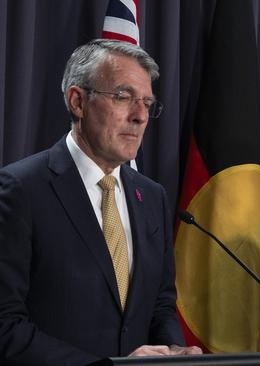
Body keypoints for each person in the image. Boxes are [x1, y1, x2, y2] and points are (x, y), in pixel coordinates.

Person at [0, 39, 201, 365]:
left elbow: (161, 304)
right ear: (78, 102)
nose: (140, 116)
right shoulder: (20, 190)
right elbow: (6, 326)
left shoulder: (152, 197)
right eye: (123, 97)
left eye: (147, 103)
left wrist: (173, 353)